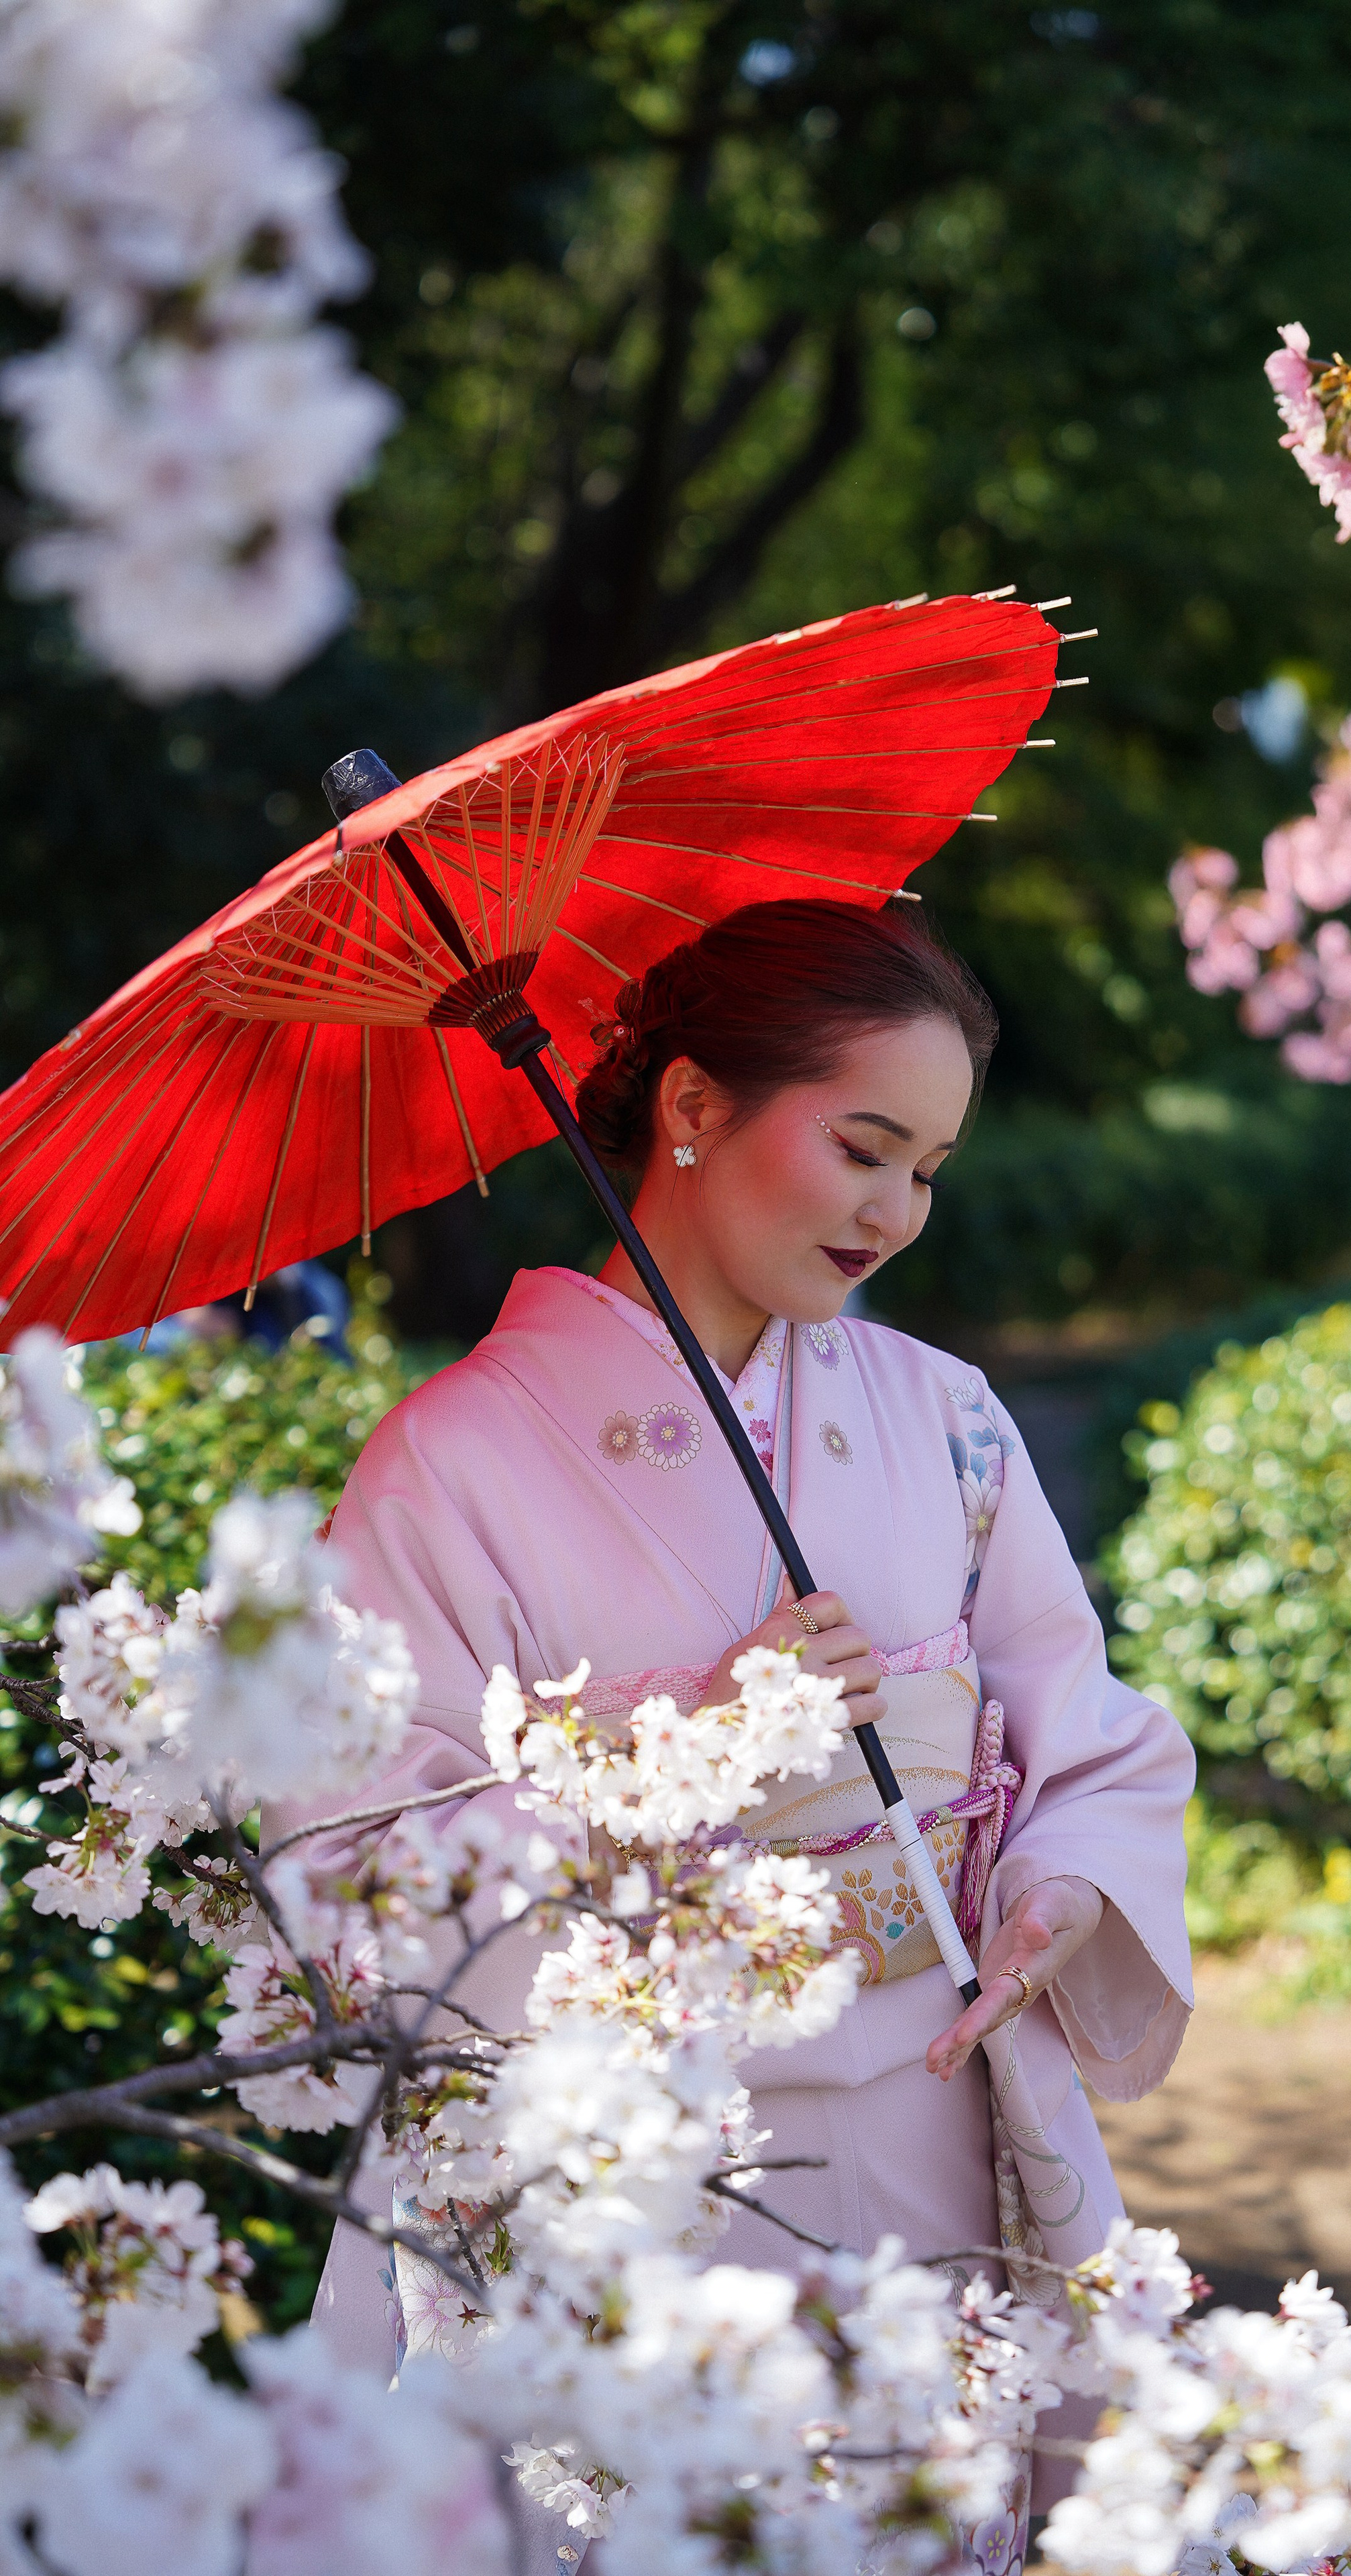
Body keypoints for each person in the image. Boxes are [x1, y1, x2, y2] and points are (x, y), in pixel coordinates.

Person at [296, 897, 1194, 2567]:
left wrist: (1060, 1883)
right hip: (637, 2154)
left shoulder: (943, 1419)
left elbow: (1087, 1733)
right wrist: (685, 1751)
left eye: (924, 1167)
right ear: (693, 1107)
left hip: (934, 2104)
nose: (896, 1211)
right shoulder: (449, 1465)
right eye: (864, 1146)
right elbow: (353, 1860)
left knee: (925, 2503)